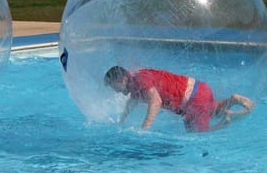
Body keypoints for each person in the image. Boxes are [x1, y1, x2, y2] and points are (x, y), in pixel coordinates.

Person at [104, 66, 254, 132]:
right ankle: (232, 100)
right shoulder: (135, 81)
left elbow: (156, 101)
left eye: (113, 86)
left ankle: (226, 123)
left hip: (192, 99)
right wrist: (122, 120)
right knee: (213, 111)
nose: (114, 90)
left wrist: (145, 127)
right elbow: (132, 102)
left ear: (121, 80)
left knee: (198, 135)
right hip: (199, 90)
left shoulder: (139, 80)